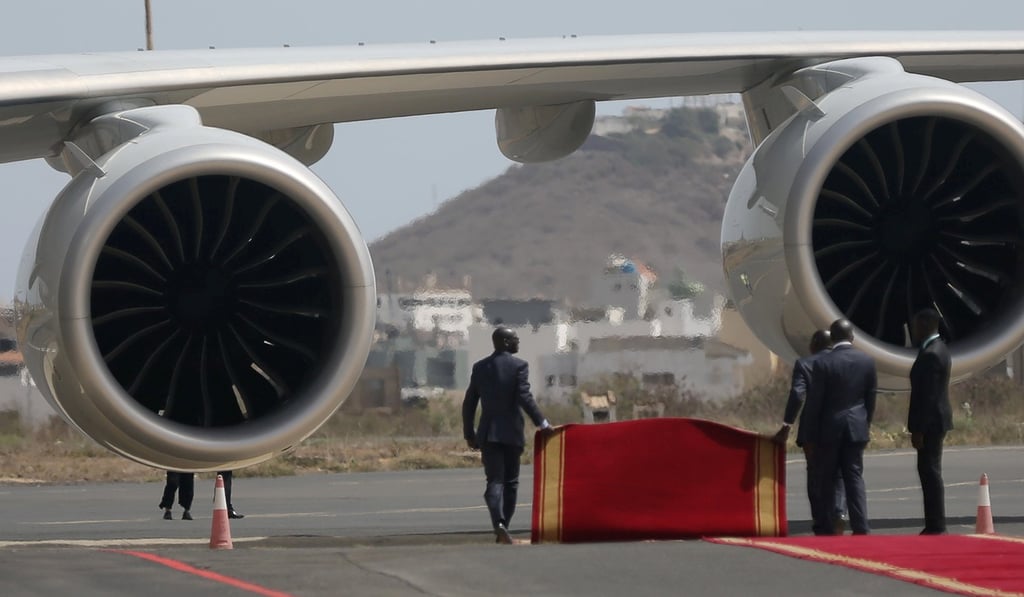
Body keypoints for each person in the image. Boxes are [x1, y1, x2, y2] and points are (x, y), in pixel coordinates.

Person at [462, 326, 551, 544]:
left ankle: (499, 524)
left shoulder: (480, 367)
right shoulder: (518, 366)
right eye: (514, 339)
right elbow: (524, 398)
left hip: (488, 434)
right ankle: (504, 526)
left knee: (494, 481)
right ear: (505, 342)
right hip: (511, 433)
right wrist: (542, 423)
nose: (518, 342)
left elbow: (469, 403)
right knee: (511, 483)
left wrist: (469, 433)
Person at [803, 319, 877, 535]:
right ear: (852, 336)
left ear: (832, 338)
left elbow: (815, 403)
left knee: (827, 477)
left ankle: (827, 525)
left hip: (829, 429)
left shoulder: (823, 363)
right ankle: (861, 526)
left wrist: (810, 435)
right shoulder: (867, 361)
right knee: (854, 477)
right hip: (856, 427)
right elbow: (870, 399)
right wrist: (865, 424)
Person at [773, 329, 847, 535]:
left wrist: (787, 424)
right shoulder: (845, 362)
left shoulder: (805, 364)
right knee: (839, 472)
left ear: (813, 345)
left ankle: (820, 519)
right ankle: (839, 512)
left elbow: (798, 394)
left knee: (815, 474)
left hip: (813, 430)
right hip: (842, 426)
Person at [908, 309, 953, 535]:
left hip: (931, 423)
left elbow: (927, 397)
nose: (913, 329)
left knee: (930, 471)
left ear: (926, 325)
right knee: (929, 470)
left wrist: (918, 430)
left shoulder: (931, 354)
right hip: (936, 420)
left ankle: (936, 524)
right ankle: (934, 522)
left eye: (916, 325)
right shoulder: (939, 349)